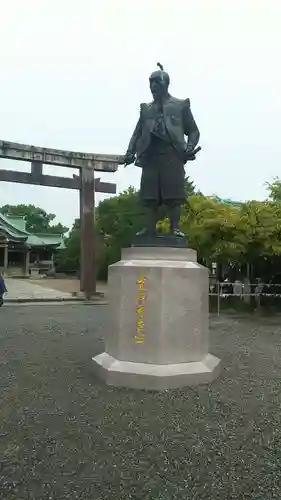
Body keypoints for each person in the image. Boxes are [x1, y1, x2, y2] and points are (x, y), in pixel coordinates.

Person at [123, 63, 200, 237]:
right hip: (150, 156)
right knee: (149, 196)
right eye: (150, 84)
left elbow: (194, 131)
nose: (152, 88)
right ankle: (149, 229)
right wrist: (130, 152)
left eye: (156, 83)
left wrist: (189, 148)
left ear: (165, 84)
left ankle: (175, 228)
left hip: (172, 154)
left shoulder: (180, 106)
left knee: (173, 195)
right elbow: (137, 133)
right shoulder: (146, 109)